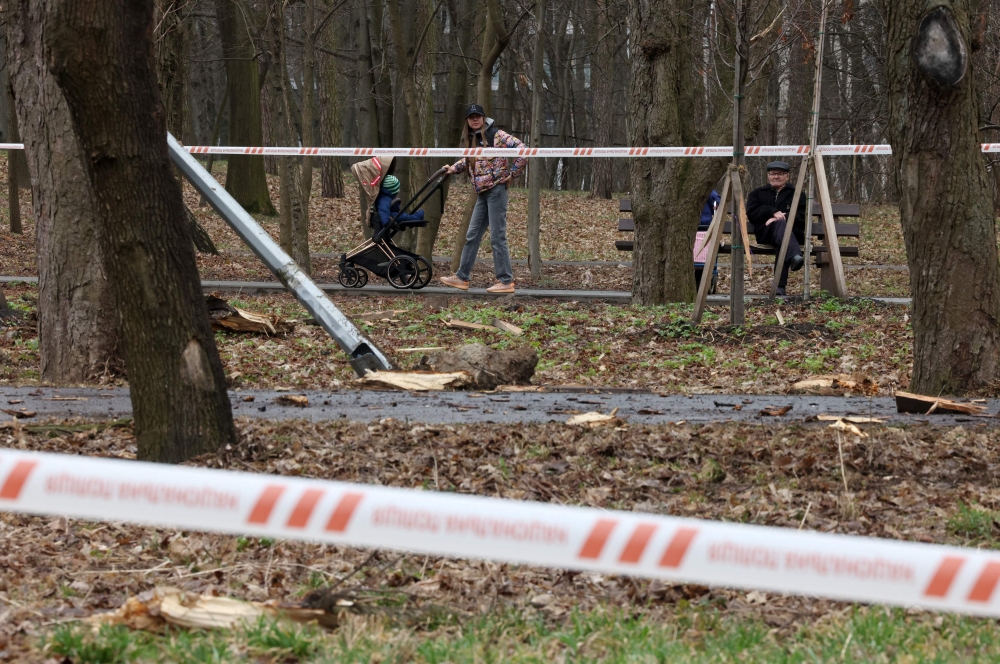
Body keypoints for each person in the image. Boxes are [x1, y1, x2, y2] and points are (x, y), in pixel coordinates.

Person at [439, 104, 527, 293]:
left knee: (497, 237)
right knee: (472, 235)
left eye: (478, 116)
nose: (475, 119)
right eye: (471, 117)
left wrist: (513, 173)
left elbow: (522, 148)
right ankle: (462, 277)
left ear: (484, 117)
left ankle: (505, 281)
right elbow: (472, 159)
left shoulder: (496, 134)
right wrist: (454, 168)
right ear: (467, 121)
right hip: (482, 193)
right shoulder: (473, 139)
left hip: (496, 190)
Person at [745, 161, 807, 296]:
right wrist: (772, 212)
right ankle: (795, 256)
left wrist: (782, 218)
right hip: (766, 233)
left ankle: (780, 287)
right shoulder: (757, 193)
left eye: (780, 174)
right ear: (768, 176)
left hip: (792, 234)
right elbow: (752, 212)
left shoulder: (797, 194)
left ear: (787, 176)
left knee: (782, 236)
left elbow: (802, 217)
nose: (776, 177)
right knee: (781, 230)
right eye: (772, 174)